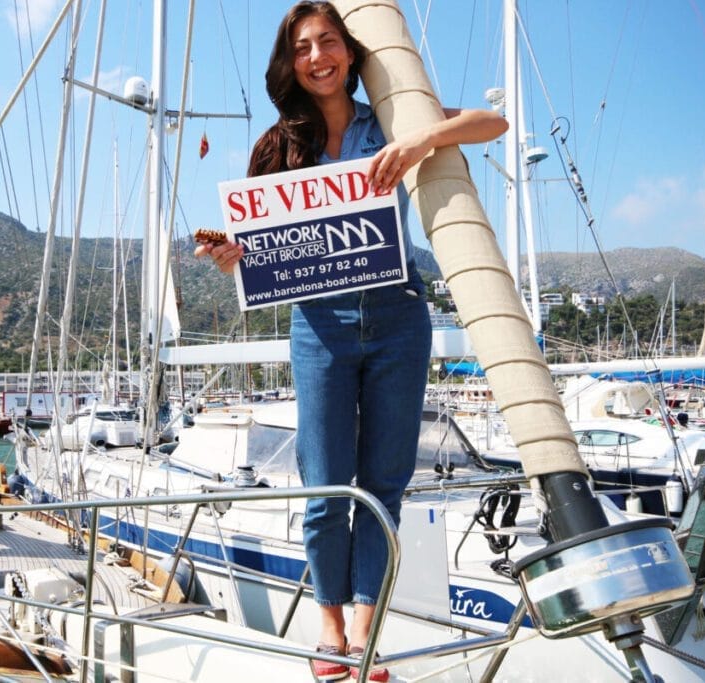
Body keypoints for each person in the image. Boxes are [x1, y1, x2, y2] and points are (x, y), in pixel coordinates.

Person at [195, 2, 507, 680]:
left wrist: (420, 143)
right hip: (319, 327)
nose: (317, 56)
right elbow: (257, 248)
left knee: (384, 483)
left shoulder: (392, 118)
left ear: (350, 52)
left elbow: (495, 123)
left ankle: (366, 635)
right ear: (291, 62)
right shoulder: (278, 147)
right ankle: (329, 631)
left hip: (399, 320)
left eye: (328, 41)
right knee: (325, 487)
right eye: (303, 47)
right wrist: (232, 256)